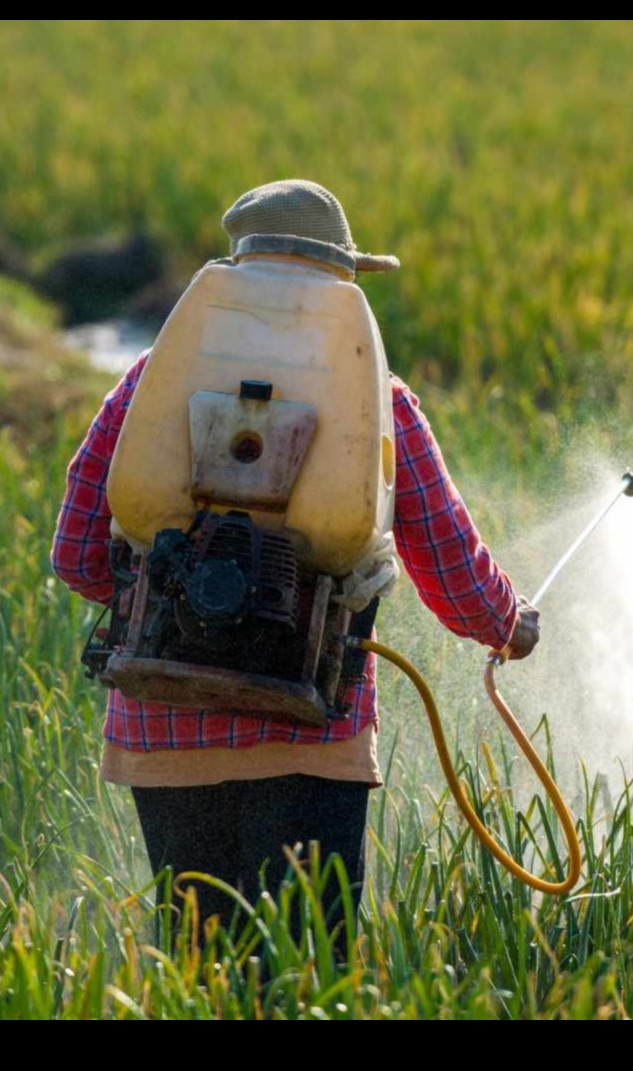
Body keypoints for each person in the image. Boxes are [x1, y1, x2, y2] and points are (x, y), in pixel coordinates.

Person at [51, 179, 539, 949]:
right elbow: (449, 561)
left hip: (162, 732)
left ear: (238, 274)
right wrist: (508, 626)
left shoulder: (152, 382)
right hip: (311, 732)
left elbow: (76, 553)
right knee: (308, 973)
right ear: (341, 282)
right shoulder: (378, 399)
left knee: (201, 976)